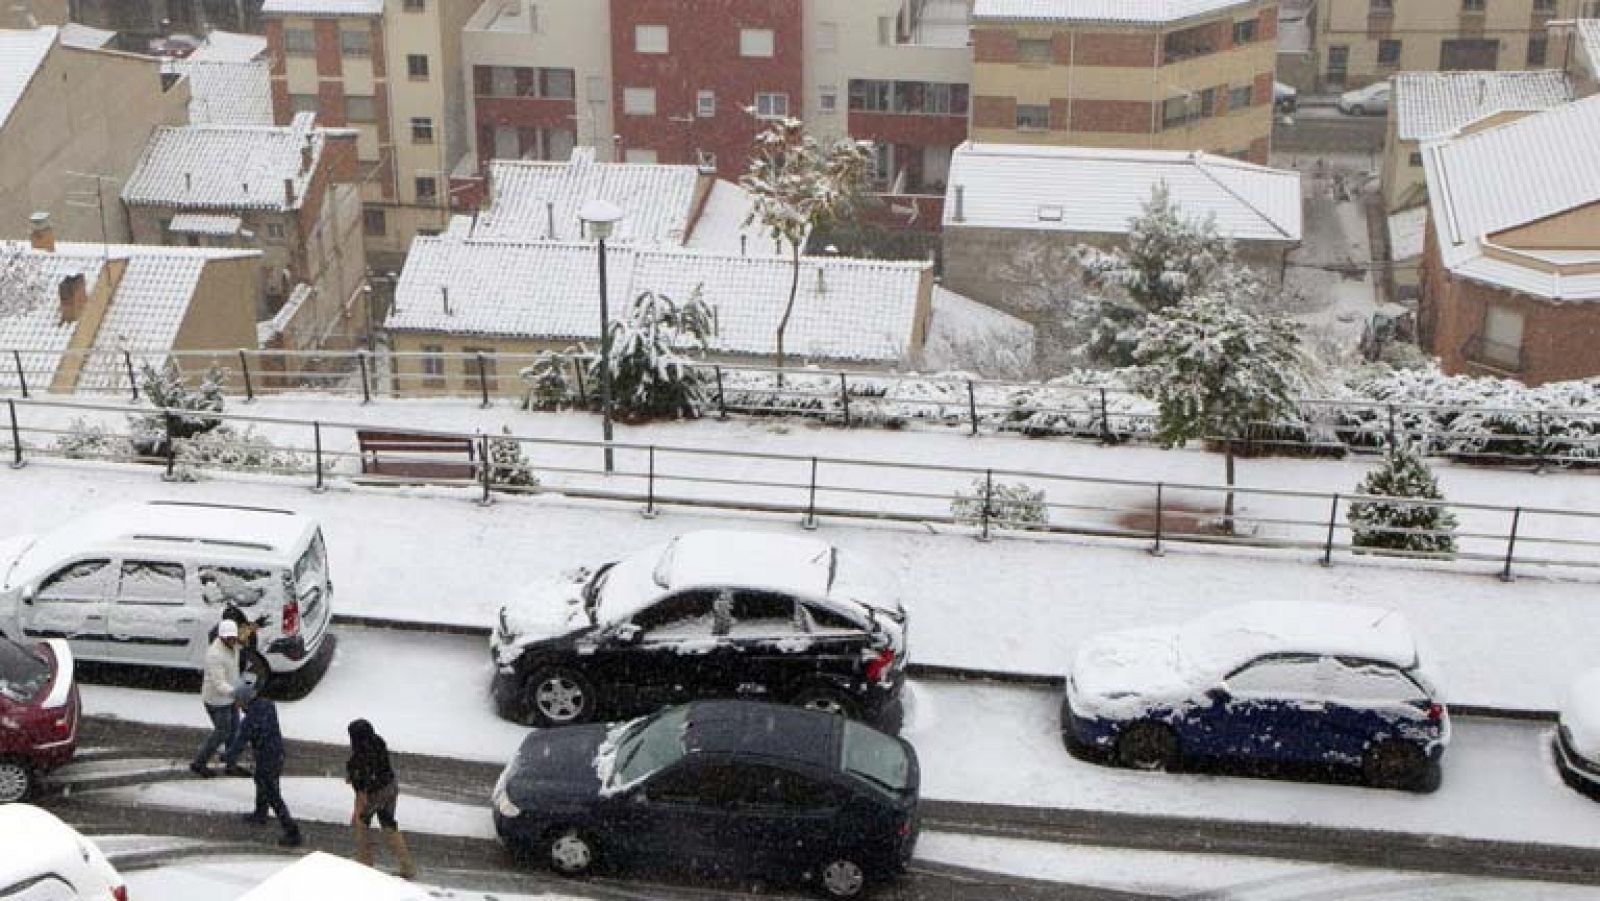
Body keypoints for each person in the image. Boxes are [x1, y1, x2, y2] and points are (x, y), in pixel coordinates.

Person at [228, 675, 301, 847]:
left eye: (237, 701)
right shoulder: (267, 705)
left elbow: (240, 742)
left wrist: (227, 757)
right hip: (276, 753)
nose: (236, 705)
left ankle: (292, 831)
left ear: (244, 700)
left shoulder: (250, 719)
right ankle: (260, 813)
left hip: (266, 756)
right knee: (262, 782)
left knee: (272, 792)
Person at [346, 719, 416, 879]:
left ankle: (365, 862)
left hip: (375, 793)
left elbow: (362, 787)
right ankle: (407, 866)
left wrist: (357, 810)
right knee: (388, 823)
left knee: (361, 823)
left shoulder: (361, 756)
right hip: (391, 787)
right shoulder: (378, 741)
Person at [190, 619, 248, 778]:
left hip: (230, 698)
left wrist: (257, 625)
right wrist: (239, 693)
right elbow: (219, 684)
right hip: (216, 701)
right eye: (228, 638)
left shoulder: (234, 643)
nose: (232, 640)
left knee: (234, 731)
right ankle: (199, 763)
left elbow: (246, 633)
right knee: (222, 733)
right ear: (221, 637)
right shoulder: (215, 655)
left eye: (234, 637)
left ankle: (231, 765)